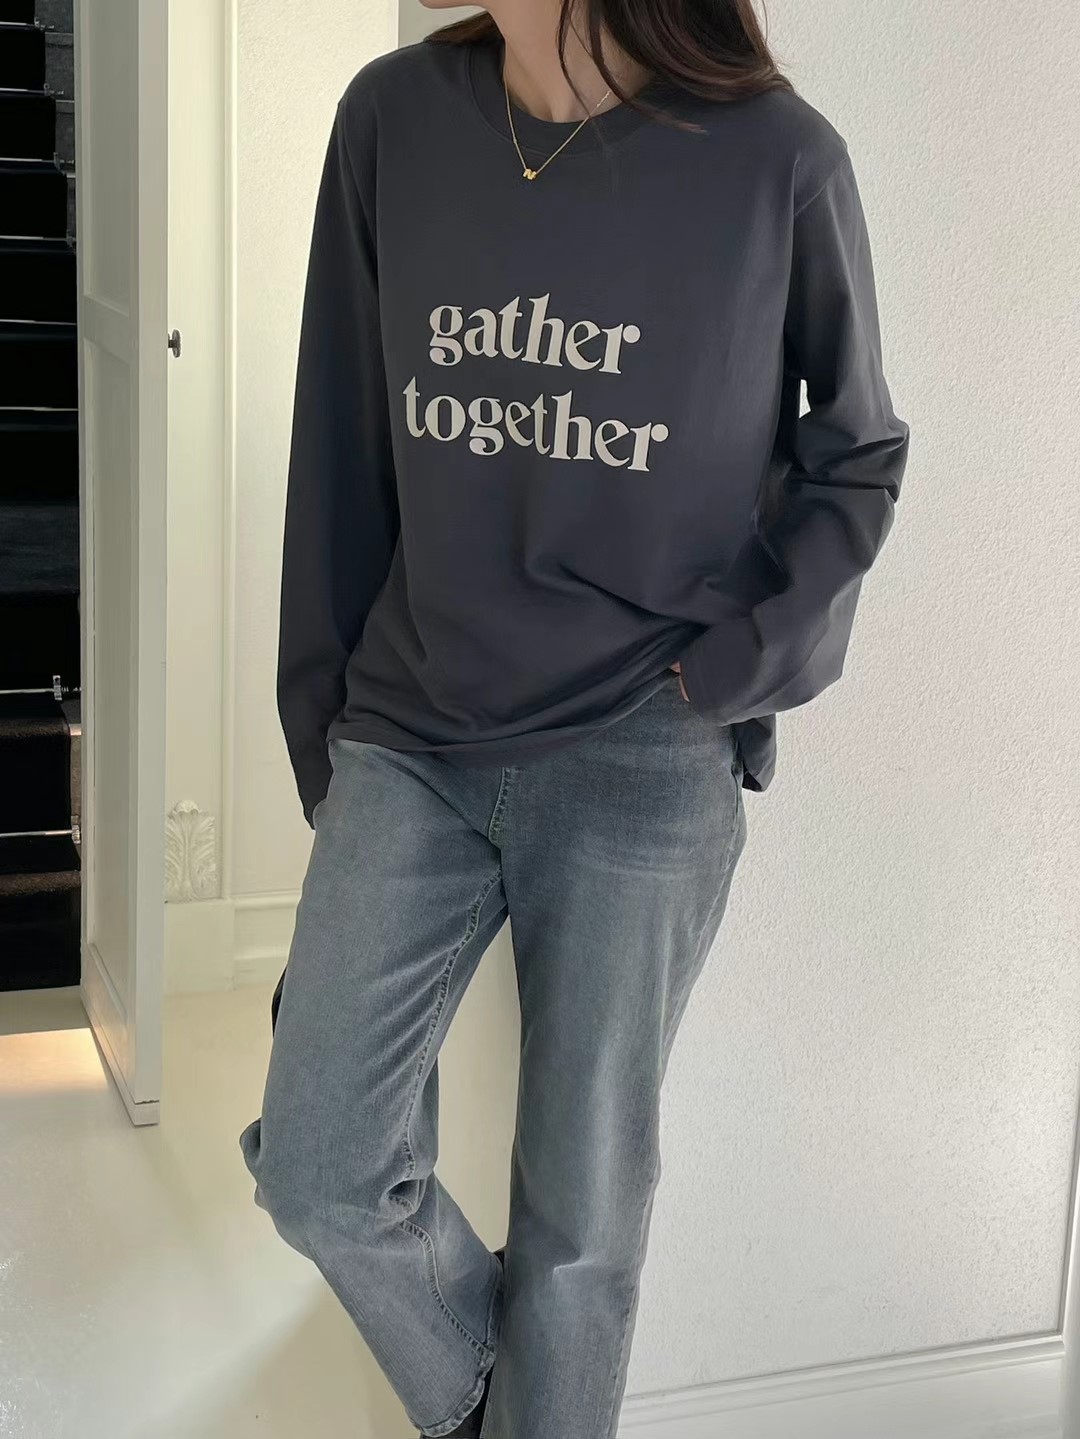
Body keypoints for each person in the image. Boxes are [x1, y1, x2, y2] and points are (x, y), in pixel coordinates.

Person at [238, 0, 910, 1434]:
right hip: (412, 729)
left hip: (644, 749)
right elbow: (340, 440)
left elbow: (857, 454)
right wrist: (323, 726)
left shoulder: (778, 159)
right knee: (317, 1169)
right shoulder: (393, 120)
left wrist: (735, 672)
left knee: (581, 1233)